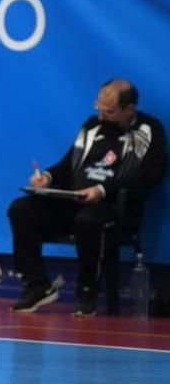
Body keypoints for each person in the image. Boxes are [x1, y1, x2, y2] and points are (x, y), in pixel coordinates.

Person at [8, 79, 166, 315]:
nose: (101, 115)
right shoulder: (92, 126)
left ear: (129, 109)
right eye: (98, 108)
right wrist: (48, 177)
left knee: (88, 220)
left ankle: (87, 290)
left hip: (112, 207)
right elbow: (68, 165)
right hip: (74, 201)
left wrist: (102, 190)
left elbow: (148, 176)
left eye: (109, 111)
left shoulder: (149, 130)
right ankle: (37, 286)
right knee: (21, 209)